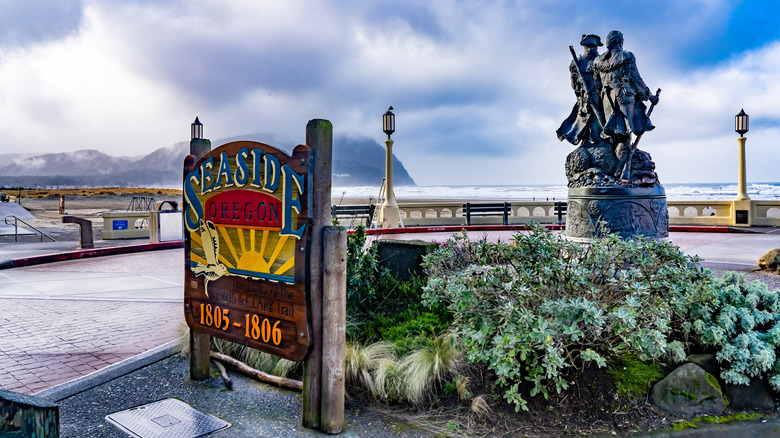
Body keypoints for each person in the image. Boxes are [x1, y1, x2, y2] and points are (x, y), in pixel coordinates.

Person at [594, 30, 658, 178]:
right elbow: (635, 79)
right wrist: (650, 96)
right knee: (625, 135)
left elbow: (597, 85)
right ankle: (622, 170)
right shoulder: (626, 56)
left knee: (615, 134)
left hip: (606, 100)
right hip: (624, 98)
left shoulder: (598, 61)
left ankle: (619, 167)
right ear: (620, 41)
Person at [556, 34, 604, 145]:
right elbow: (574, 84)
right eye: (591, 46)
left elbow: (574, 85)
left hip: (598, 96)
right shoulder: (577, 62)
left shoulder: (600, 61)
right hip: (586, 96)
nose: (592, 49)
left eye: (594, 46)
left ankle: (599, 139)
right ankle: (585, 138)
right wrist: (581, 93)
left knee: (599, 118)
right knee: (585, 117)